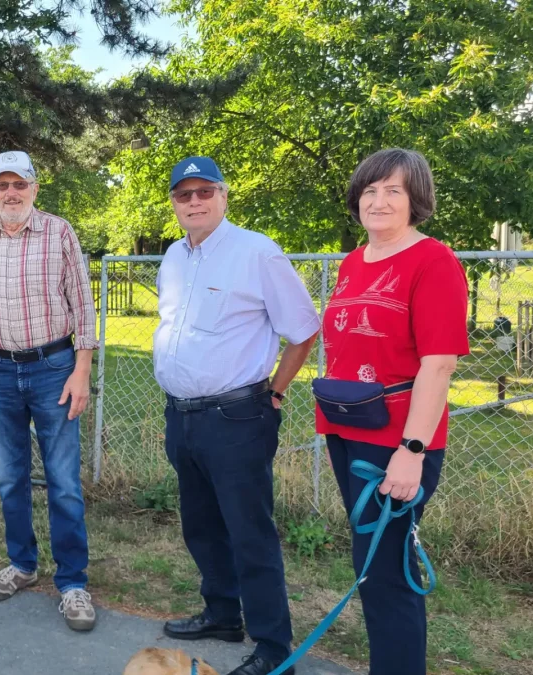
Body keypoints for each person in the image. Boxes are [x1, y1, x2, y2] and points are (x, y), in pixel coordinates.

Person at [152, 156, 320, 675]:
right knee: (201, 527)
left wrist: (274, 391)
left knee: (250, 533)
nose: (195, 202)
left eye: (206, 192)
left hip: (236, 418)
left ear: (224, 196)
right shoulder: (174, 258)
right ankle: (223, 613)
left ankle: (274, 648)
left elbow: (303, 331)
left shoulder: (257, 252)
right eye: (185, 195)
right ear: (175, 204)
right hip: (181, 416)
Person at [315, 148, 469, 675]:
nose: (378, 201)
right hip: (347, 428)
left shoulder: (434, 261)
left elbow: (439, 365)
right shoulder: (354, 262)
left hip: (398, 441)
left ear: (415, 200)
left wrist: (412, 451)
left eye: (394, 191)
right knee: (372, 564)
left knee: (385, 572)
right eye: (370, 190)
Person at [0, 151, 98, 631]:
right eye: (1, 184)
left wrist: (82, 369)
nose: (10, 193)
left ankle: (72, 583)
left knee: (63, 481)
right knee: (11, 476)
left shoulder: (59, 232)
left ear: (35, 187)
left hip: (54, 367)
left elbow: (83, 303)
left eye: (19, 184)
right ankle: (23, 565)